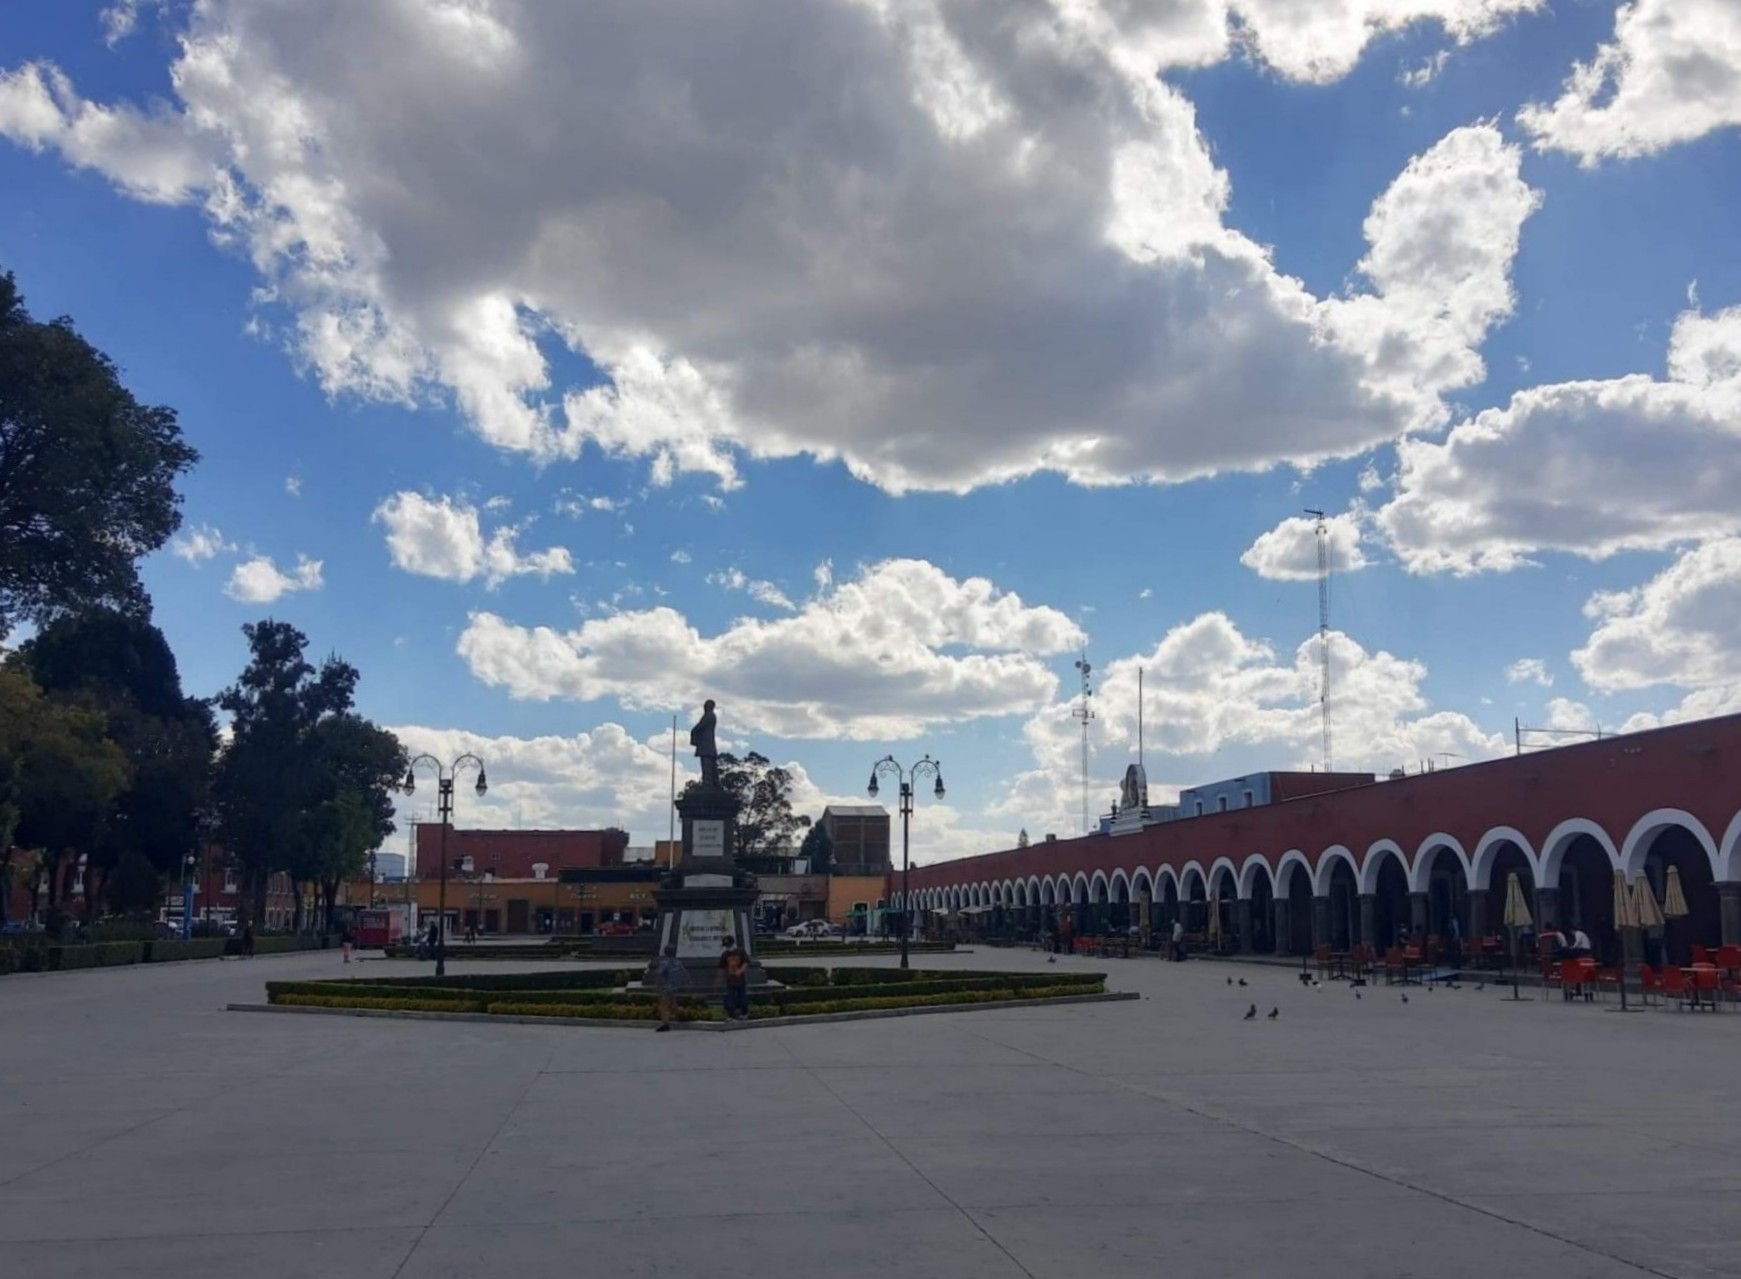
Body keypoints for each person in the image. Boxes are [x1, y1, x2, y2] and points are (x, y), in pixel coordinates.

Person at [654, 946, 685, 1032]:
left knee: (664, 1005)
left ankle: (665, 1024)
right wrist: (687, 982)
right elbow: (683, 972)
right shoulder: (677, 962)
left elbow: (659, 974)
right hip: (676, 985)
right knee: (672, 1002)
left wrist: (657, 985)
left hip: (667, 986)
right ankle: (681, 1015)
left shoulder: (664, 963)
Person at [719, 935, 751, 1021]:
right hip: (730, 981)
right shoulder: (725, 954)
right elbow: (722, 967)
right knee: (730, 998)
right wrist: (721, 979)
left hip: (741, 980)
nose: (728, 947)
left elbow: (746, 962)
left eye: (729, 945)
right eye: (726, 946)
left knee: (742, 998)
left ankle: (744, 1013)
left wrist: (740, 971)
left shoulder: (741, 952)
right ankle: (731, 1015)